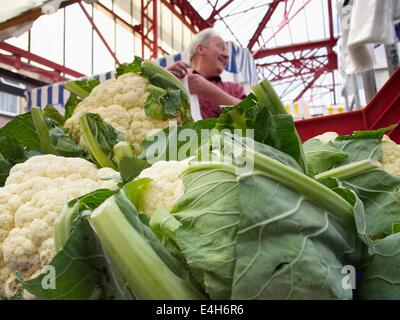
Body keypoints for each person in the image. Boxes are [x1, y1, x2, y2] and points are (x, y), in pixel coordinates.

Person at [167, 28, 246, 118]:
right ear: (200, 49)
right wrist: (162, 78)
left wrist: (209, 90)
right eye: (221, 48)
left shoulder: (235, 89)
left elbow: (250, 113)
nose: (227, 55)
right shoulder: (176, 78)